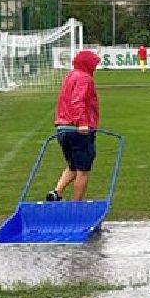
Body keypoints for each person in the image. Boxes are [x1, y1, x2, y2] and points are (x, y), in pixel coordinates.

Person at [46, 49, 101, 202]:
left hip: (62, 128)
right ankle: (76, 205)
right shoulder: (85, 78)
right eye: (94, 64)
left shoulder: (70, 76)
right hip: (77, 129)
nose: (95, 67)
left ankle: (56, 193)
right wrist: (82, 123)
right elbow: (78, 101)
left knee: (73, 166)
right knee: (83, 170)